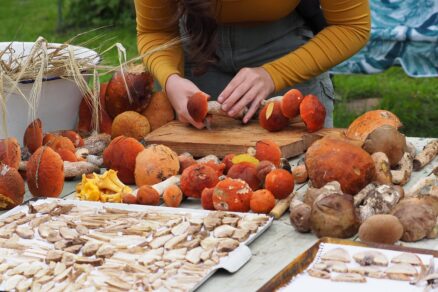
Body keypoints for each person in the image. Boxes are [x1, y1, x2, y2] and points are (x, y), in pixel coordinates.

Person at [134, 0, 371, 129]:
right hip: (197, 57)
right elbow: (156, 30)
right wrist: (171, 79)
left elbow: (351, 26)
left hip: (289, 58)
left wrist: (274, 74)